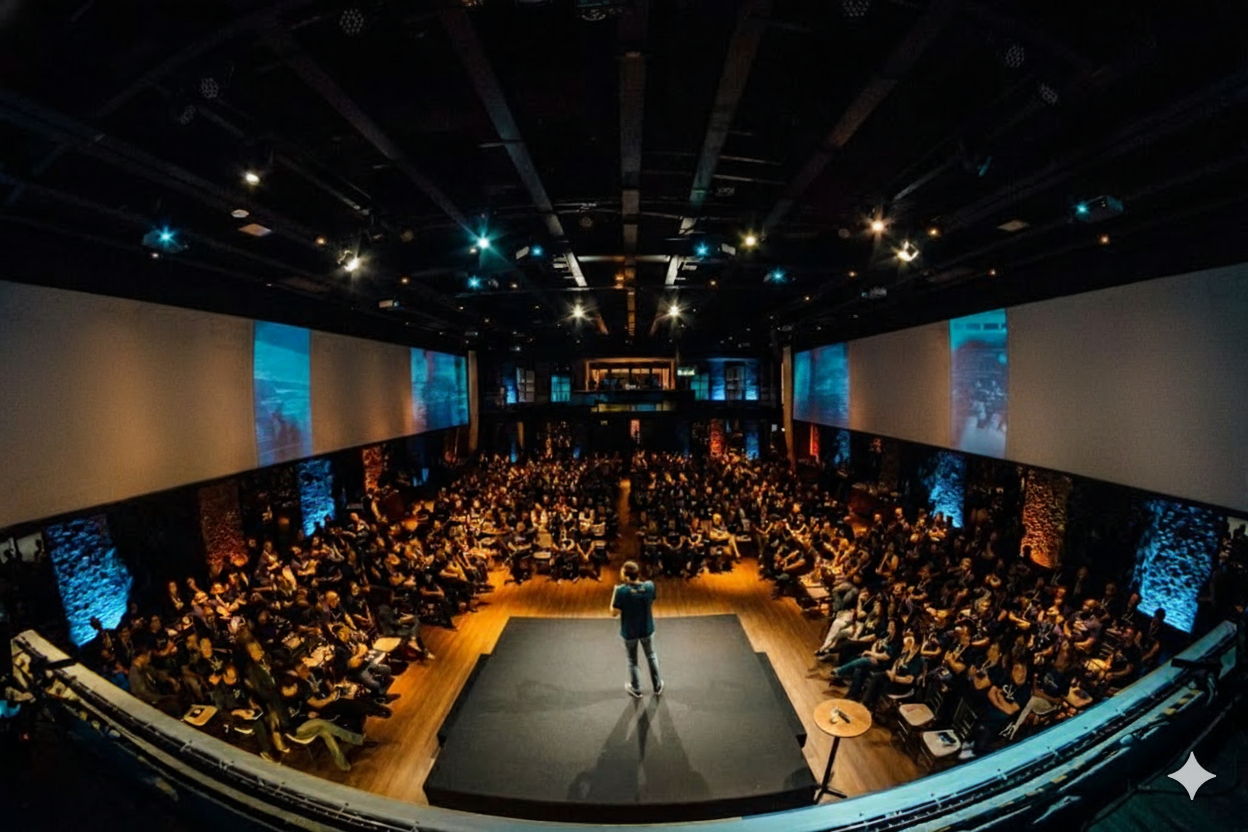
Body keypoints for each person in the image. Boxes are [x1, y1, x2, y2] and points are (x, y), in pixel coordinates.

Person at [610, 560, 663, 698]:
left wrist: (615, 593)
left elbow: (613, 613)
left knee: (632, 660)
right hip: (646, 628)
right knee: (651, 655)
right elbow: (651, 600)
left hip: (630, 631)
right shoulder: (650, 586)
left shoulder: (621, 591)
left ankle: (636, 688)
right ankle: (657, 685)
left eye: (622, 573)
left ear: (627, 577)